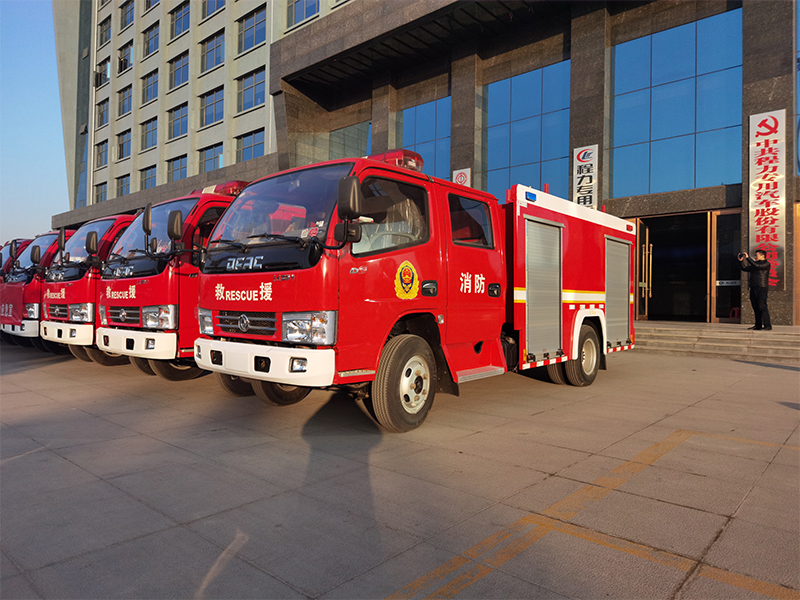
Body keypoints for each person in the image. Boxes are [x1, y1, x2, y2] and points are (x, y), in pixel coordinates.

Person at [738, 250, 771, 331]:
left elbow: (757, 266)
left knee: (762, 306)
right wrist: (741, 261)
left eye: (756, 255)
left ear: (762, 256)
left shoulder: (766, 264)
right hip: (753, 287)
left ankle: (767, 325)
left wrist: (748, 258)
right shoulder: (755, 264)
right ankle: (758, 325)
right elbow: (744, 268)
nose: (755, 257)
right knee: (755, 307)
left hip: (761, 287)